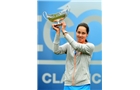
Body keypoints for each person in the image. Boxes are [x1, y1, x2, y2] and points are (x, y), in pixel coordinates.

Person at [52, 21, 95, 90]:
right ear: (76, 32)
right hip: (68, 85)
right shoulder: (69, 45)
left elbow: (76, 46)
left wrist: (64, 31)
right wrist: (58, 33)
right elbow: (56, 51)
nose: (80, 35)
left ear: (87, 34)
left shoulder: (90, 46)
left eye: (83, 33)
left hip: (83, 85)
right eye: (78, 32)